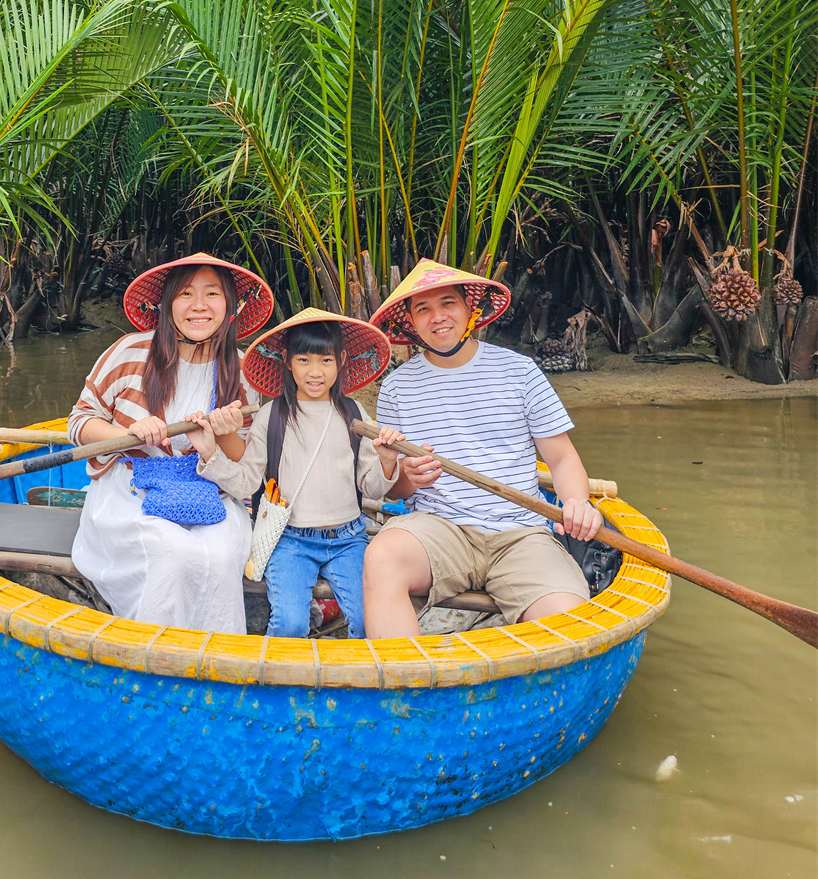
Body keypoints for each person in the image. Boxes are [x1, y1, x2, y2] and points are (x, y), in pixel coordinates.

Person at [362, 259, 603, 639]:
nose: (437, 317)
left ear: (470, 309)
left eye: (448, 304)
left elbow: (562, 457)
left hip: (521, 533)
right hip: (440, 529)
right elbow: (399, 491)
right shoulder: (396, 389)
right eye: (423, 309)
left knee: (567, 621)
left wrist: (576, 503)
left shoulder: (519, 371)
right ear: (410, 321)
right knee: (381, 556)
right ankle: (401, 681)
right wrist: (406, 476)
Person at [66, 252, 273, 631]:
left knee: (223, 553)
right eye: (185, 295)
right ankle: (153, 653)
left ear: (230, 306)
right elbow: (79, 423)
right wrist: (128, 434)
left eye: (212, 294)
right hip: (130, 489)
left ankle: (216, 659)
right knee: (171, 551)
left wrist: (222, 436)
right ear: (166, 304)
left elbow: (243, 471)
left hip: (209, 491)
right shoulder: (130, 351)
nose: (198, 307)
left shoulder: (241, 371)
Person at [193, 309, 402, 640]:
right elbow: (246, 482)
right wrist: (210, 452)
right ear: (288, 362)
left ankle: (349, 679)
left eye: (326, 361)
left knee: (368, 623)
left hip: (349, 539)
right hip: (289, 539)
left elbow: (372, 489)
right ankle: (285, 680)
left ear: (342, 360)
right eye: (304, 360)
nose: (315, 372)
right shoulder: (270, 416)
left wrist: (388, 460)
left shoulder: (355, 414)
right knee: (289, 625)